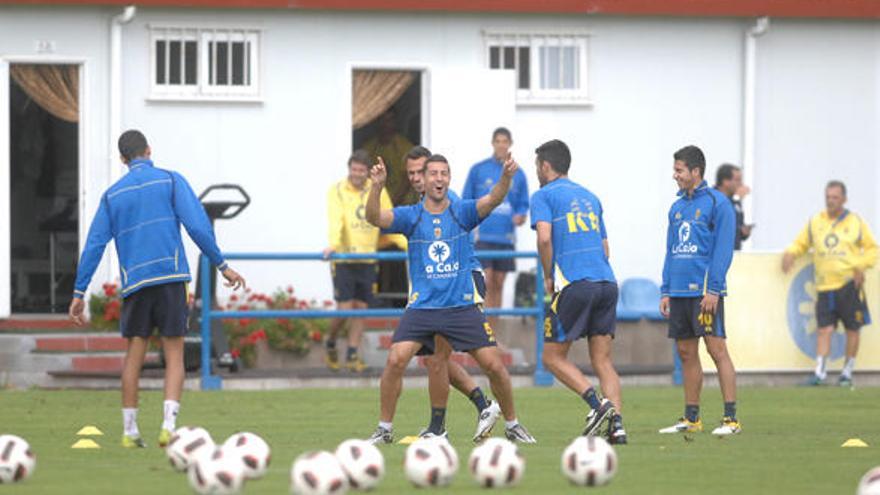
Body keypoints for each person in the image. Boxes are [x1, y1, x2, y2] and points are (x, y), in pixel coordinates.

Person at [68, 130, 246, 448]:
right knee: (174, 353)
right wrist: (222, 264)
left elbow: (94, 244)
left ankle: (129, 432)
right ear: (149, 150)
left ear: (123, 159)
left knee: (134, 355)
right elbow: (197, 226)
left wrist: (79, 292)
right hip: (171, 277)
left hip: (136, 283)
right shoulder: (171, 180)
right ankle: (168, 427)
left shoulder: (112, 196)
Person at [364, 154, 535, 444]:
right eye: (433, 174)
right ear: (424, 180)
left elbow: (493, 199)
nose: (439, 178)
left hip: (460, 306)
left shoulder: (461, 212)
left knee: (494, 366)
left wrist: (506, 177)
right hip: (423, 308)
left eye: (444, 173)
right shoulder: (411, 216)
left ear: (449, 179)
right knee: (396, 360)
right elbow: (374, 217)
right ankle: (385, 428)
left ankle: (513, 424)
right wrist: (377, 187)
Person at [530, 139, 627, 444]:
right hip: (606, 282)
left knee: (551, 357)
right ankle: (617, 427)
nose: (536, 172)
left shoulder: (543, 195)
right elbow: (606, 247)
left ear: (545, 166)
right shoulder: (590, 197)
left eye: (537, 166)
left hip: (575, 283)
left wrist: (549, 276)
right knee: (603, 361)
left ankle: (598, 406)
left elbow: (544, 240)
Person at [403, 145, 502, 441]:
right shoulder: (421, 206)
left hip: (462, 282)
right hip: (437, 289)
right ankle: (483, 406)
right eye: (411, 173)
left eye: (421, 171)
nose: (416, 178)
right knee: (436, 358)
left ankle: (440, 428)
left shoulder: (448, 201)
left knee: (438, 357)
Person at [658, 145, 740, 437]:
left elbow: (722, 250)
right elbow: (670, 251)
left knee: (717, 350)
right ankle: (691, 418)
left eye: (679, 170)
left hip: (704, 293)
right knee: (685, 353)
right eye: (675, 169)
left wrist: (714, 289)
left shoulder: (718, 204)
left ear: (696, 171)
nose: (675, 175)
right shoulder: (676, 207)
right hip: (678, 293)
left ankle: (731, 419)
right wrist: (665, 290)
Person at [782, 181, 877, 387]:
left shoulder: (855, 222)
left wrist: (860, 266)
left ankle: (847, 372)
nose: (830, 201)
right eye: (828, 197)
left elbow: (872, 249)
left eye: (835, 197)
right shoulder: (816, 221)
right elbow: (801, 242)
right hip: (824, 286)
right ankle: (820, 372)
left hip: (849, 284)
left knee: (853, 329)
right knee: (824, 329)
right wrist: (791, 252)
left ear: (844, 199)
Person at [323, 149, 404, 372]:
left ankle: (351, 355)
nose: (357, 174)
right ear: (349, 169)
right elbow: (336, 219)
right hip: (344, 258)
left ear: (367, 172)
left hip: (368, 258)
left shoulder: (376, 188)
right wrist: (334, 244)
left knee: (362, 308)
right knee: (345, 309)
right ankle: (330, 341)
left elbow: (388, 217)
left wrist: (407, 243)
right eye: (353, 169)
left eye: (361, 170)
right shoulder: (337, 190)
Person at [462, 128, 529, 329]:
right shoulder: (478, 170)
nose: (501, 145)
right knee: (487, 283)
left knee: (499, 284)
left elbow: (523, 204)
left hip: (506, 239)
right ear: (493, 143)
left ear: (510, 144)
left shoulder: (519, 173)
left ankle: (494, 333)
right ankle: (483, 332)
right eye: (498, 141)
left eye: (505, 141)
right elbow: (467, 200)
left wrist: (521, 215)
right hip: (483, 237)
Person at [362, 108, 414, 206]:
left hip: (402, 206)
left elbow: (407, 181)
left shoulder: (405, 147)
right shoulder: (368, 148)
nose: (386, 124)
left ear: (395, 123)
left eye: (389, 120)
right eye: (383, 120)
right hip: (376, 205)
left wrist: (392, 203)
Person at [714, 163, 752, 250]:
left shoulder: (735, 201)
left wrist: (743, 232)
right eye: (737, 180)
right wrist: (736, 198)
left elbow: (734, 227)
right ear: (725, 182)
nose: (741, 184)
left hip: (734, 253)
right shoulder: (712, 198)